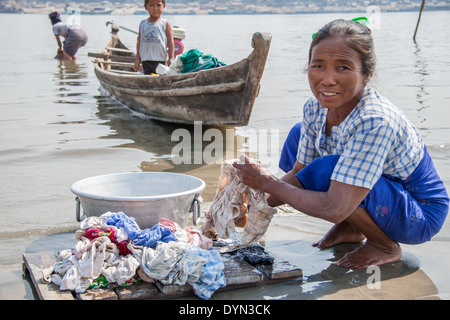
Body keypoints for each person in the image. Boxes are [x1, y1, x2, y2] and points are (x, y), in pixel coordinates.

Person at [233, 19, 449, 269]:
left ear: (366, 75)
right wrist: (246, 205)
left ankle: (384, 245)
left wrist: (265, 183)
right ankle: (352, 227)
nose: (327, 79)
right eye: (318, 66)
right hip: (378, 193)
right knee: (298, 134)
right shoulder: (314, 108)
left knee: (327, 170)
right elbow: (299, 173)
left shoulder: (375, 120)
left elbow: (333, 207)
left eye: (343, 68)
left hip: (418, 215)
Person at [134, 0, 174, 75]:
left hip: (160, 59)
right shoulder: (143, 24)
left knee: (160, 78)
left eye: (159, 5)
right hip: (146, 59)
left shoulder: (165, 23)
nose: (155, 8)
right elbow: (139, 42)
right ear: (146, 7)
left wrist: (171, 57)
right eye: (152, 5)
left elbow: (170, 41)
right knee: (148, 78)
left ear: (164, 6)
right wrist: (137, 59)